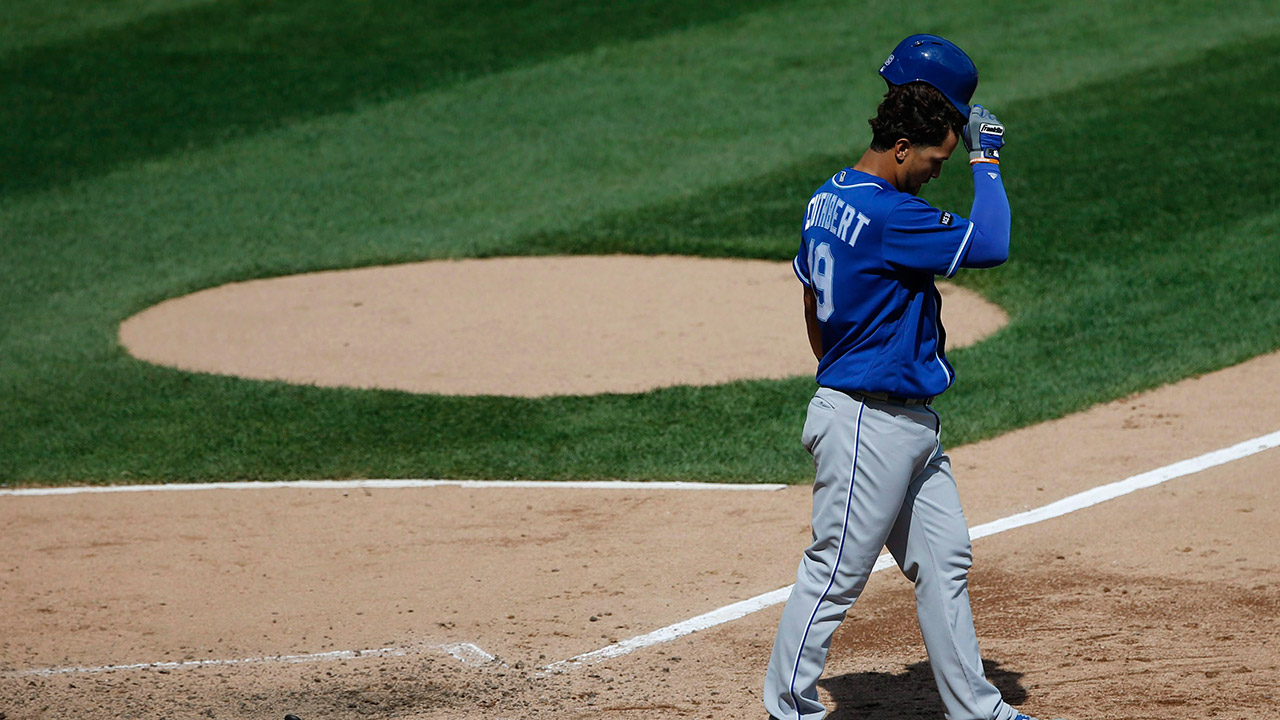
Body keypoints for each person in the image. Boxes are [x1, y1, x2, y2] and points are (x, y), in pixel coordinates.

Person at [762, 35, 1060, 720]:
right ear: (902, 145)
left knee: (944, 560)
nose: (936, 172)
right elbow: (992, 243)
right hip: (871, 420)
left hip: (895, 417)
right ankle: (789, 711)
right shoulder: (892, 215)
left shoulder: (828, 197)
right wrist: (987, 162)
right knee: (835, 573)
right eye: (936, 158)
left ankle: (976, 710)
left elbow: (810, 297)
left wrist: (838, 368)